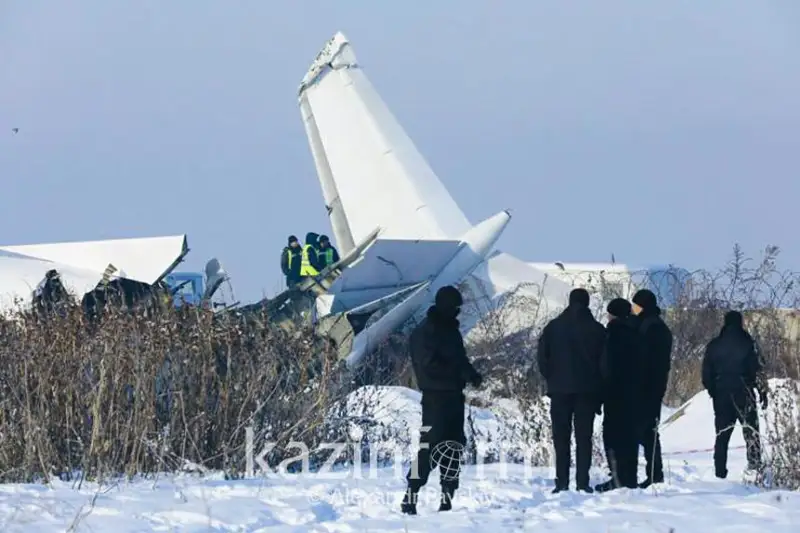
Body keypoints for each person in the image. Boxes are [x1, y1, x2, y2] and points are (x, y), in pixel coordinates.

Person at [401, 285, 483, 515]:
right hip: (435, 398)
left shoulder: (451, 331)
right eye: (455, 307)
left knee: (454, 447)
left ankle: (447, 498)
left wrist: (471, 374)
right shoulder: (425, 333)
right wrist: (458, 372)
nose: (458, 312)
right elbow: (428, 365)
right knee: (430, 446)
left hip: (454, 397)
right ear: (446, 306)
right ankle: (411, 494)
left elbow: (460, 359)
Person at [537, 287, 606, 493]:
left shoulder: (553, 327)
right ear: (587, 303)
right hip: (587, 391)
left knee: (561, 438)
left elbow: (543, 359)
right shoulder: (597, 330)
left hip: (559, 391)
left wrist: (552, 378)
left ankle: (562, 482)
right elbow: (605, 364)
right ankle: (582, 482)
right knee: (584, 437)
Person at [702, 310, 767, 478]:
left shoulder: (714, 345)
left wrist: (713, 391)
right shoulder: (749, 343)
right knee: (751, 432)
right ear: (740, 323)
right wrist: (762, 392)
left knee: (722, 435)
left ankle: (719, 472)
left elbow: (706, 373)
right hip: (744, 392)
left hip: (722, 393)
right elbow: (757, 370)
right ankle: (754, 468)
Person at [594, 298, 641, 492]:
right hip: (635, 392)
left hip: (615, 392)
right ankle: (630, 477)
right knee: (630, 436)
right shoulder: (638, 333)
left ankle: (617, 477)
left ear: (612, 314)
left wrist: (601, 391)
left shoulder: (611, 335)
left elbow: (605, 366)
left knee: (613, 436)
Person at [630, 288, 673, 488]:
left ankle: (655, 473)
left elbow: (647, 359)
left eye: (636, 305)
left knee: (647, 431)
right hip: (653, 386)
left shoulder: (651, 327)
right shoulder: (655, 325)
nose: (633, 309)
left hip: (647, 386)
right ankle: (654, 472)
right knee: (647, 431)